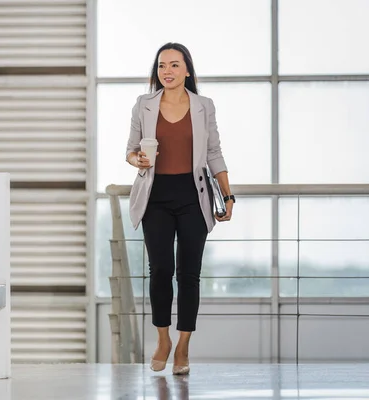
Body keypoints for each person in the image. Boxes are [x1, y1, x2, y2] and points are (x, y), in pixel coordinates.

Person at [125, 42, 235, 375]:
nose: (167, 72)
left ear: (187, 69)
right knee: (160, 270)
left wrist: (228, 196)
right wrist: (137, 160)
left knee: (189, 275)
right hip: (155, 197)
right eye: (162, 66)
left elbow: (214, 152)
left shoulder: (204, 105)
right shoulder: (144, 104)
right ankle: (163, 339)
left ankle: (184, 345)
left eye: (174, 65)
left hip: (193, 195)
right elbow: (130, 151)